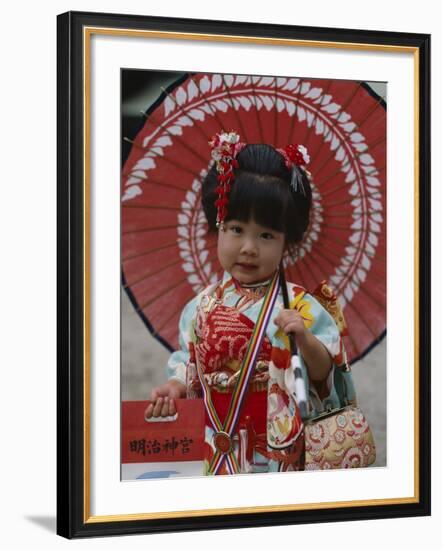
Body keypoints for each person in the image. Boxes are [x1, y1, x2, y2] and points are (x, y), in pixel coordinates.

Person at [145, 131, 356, 475]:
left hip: (278, 443)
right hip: (216, 436)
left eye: (266, 235)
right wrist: (175, 386)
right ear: (218, 226)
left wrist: (303, 338)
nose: (248, 247)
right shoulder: (201, 306)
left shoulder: (301, 306)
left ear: (288, 241)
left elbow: (325, 377)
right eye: (236, 228)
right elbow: (188, 362)